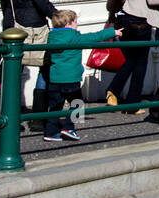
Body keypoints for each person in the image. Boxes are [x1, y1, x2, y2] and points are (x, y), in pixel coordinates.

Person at [0, 0, 59, 127]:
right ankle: (38, 118)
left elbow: (4, 0)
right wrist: (57, 16)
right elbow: (41, 0)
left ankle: (9, 119)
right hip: (33, 24)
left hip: (11, 23)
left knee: (13, 72)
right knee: (46, 66)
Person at [44, 9, 121, 141]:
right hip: (71, 78)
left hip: (55, 78)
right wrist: (112, 32)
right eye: (75, 22)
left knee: (55, 106)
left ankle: (50, 132)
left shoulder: (51, 37)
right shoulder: (74, 37)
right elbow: (93, 37)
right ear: (68, 23)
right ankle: (69, 127)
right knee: (77, 102)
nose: (77, 25)